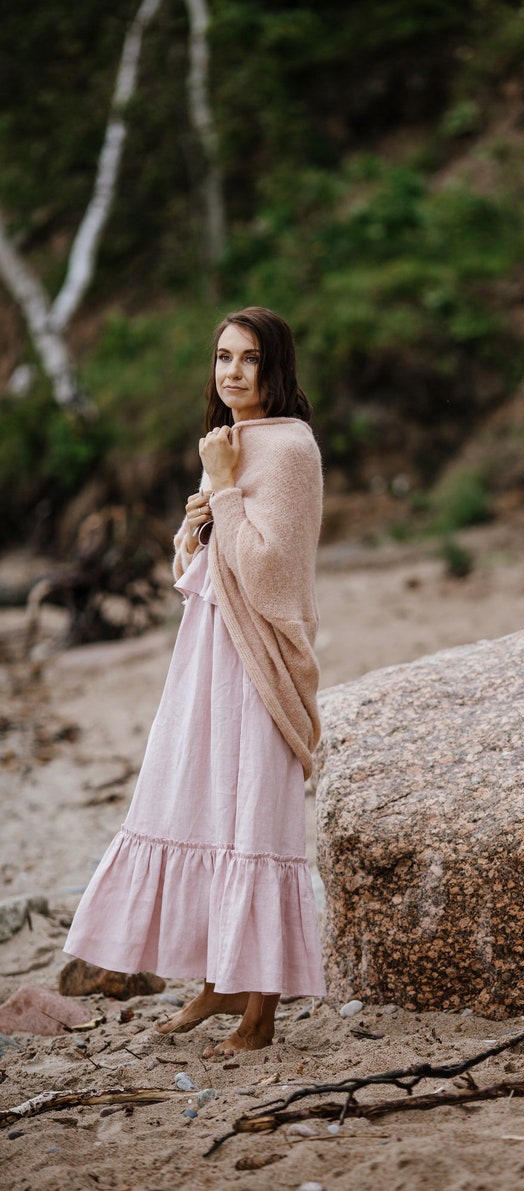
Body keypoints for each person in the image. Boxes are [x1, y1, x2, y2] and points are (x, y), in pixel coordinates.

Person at [64, 307, 326, 1057]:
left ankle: (261, 1011)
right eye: (221, 358)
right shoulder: (230, 443)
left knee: (251, 815)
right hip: (207, 652)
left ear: (276, 367)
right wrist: (197, 520)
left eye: (248, 358)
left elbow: (274, 571)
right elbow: (201, 572)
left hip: (257, 659)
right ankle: (217, 980)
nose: (233, 372)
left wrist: (224, 487)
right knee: (202, 801)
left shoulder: (292, 449)